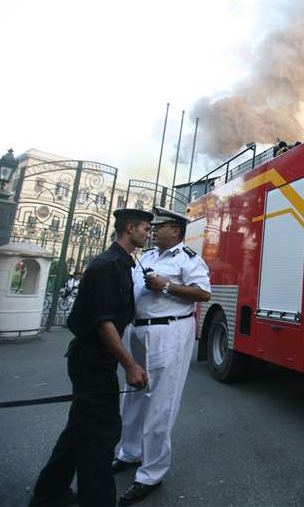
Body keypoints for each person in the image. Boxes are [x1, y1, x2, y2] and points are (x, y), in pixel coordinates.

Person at [29, 209, 153, 507]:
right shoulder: (107, 265)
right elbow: (104, 322)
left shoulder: (124, 263)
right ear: (129, 228)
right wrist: (130, 364)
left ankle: (50, 492)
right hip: (91, 362)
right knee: (101, 435)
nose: (148, 233)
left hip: (96, 360)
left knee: (81, 427)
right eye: (145, 228)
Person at [114, 206, 211, 505]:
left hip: (169, 331)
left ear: (177, 231)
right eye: (153, 226)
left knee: (160, 402)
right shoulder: (148, 256)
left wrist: (166, 286)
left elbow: (204, 293)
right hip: (139, 330)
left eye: (162, 225)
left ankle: (151, 474)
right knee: (132, 394)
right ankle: (130, 452)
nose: (154, 229)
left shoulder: (188, 258)